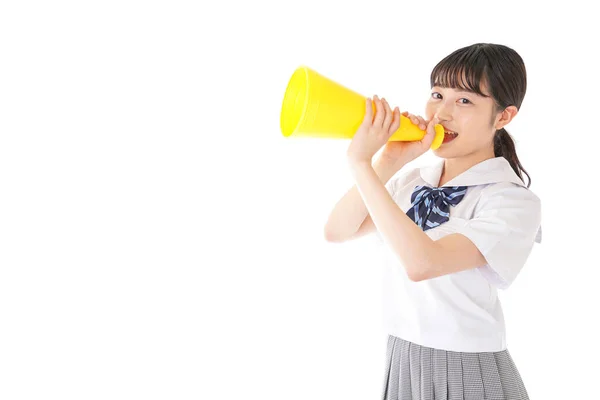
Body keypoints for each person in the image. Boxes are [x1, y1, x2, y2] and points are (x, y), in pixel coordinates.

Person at [323, 43, 542, 400]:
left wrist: (360, 163)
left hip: (468, 366)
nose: (441, 113)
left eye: (465, 101)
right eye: (437, 94)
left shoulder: (510, 200)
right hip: (402, 358)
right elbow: (337, 230)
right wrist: (387, 162)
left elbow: (423, 263)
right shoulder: (413, 180)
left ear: (503, 116)